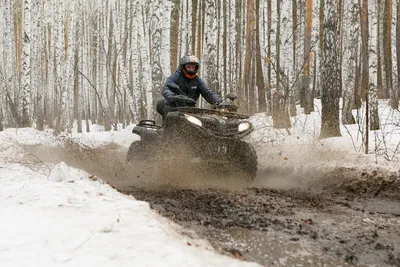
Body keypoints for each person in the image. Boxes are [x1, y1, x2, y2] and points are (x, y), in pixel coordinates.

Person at [156, 54, 222, 120]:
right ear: (183, 67)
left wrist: (219, 102)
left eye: (193, 67)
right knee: (172, 118)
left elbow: (208, 93)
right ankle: (167, 129)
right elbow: (166, 88)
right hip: (174, 106)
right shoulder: (176, 76)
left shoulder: (198, 81)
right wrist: (172, 96)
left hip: (190, 109)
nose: (191, 69)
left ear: (196, 68)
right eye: (188, 67)